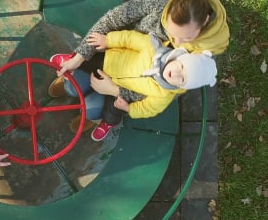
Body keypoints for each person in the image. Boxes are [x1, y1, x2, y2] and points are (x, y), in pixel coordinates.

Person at [48, 31, 217, 141]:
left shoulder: (165, 94)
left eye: (182, 79)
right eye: (181, 67)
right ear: (178, 57)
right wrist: (108, 40)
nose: (176, 74)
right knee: (79, 75)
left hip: (116, 93)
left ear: (183, 86)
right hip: (109, 63)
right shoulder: (152, 47)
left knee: (111, 110)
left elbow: (149, 108)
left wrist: (129, 108)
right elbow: (129, 39)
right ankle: (68, 84)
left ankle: (101, 120)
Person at [53, 0, 229, 77]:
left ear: (205, 21)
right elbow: (115, 18)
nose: (178, 42)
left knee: (105, 99)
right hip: (123, 44)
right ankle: (82, 65)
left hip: (141, 73)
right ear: (167, 12)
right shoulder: (163, 0)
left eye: (187, 37)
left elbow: (166, 85)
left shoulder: (209, 50)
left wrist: (116, 90)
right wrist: (81, 55)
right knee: (89, 62)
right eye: (171, 32)